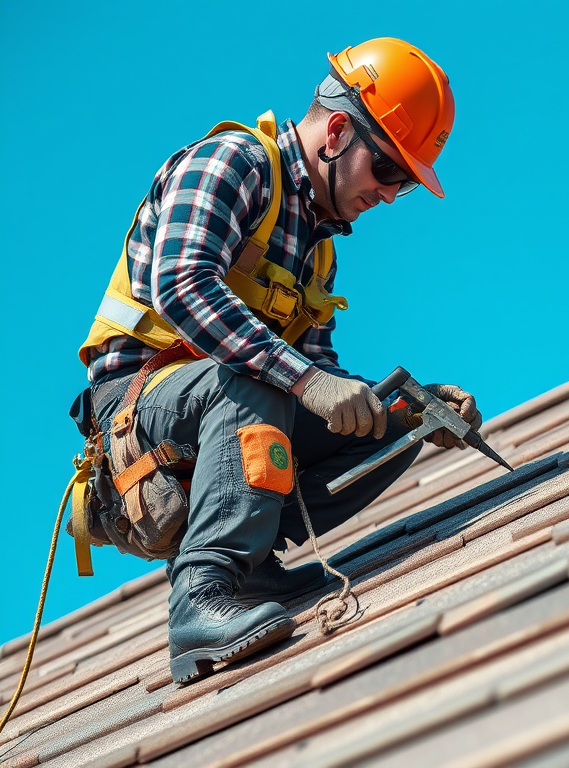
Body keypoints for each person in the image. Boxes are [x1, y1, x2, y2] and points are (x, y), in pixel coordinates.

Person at [74, 38, 479, 684]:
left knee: (382, 421)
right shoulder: (234, 164)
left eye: (403, 181)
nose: (392, 195)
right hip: (139, 412)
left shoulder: (317, 250)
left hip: (229, 407)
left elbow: (322, 385)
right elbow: (180, 284)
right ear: (339, 130)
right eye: (389, 171)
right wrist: (306, 379)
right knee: (258, 382)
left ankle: (253, 562)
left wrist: (410, 406)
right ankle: (202, 593)